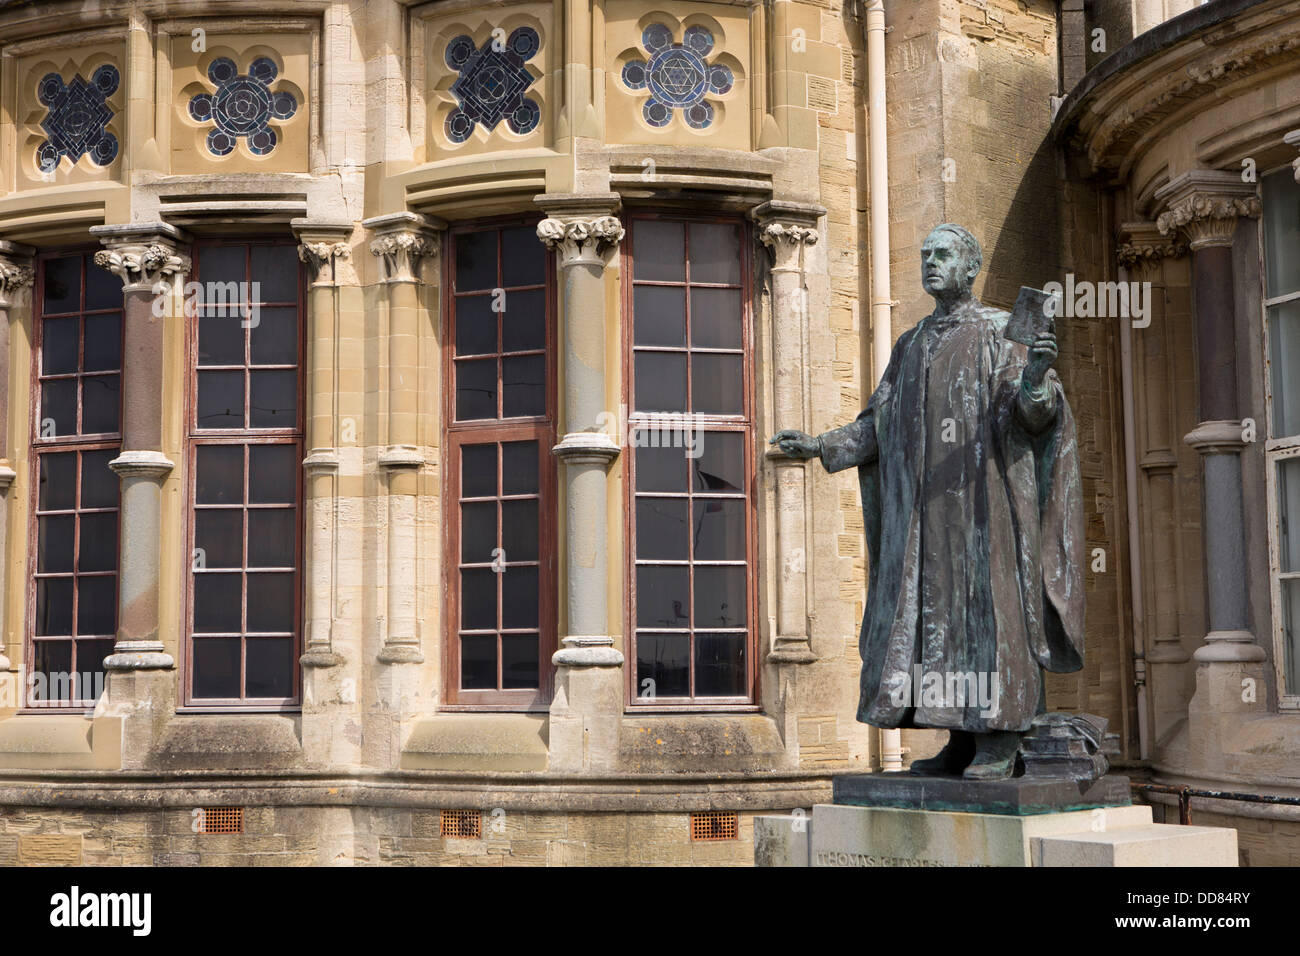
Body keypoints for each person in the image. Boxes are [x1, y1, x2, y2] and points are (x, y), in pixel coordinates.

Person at [770, 224, 1085, 780]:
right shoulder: (911, 343)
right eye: (924, 255)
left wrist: (1036, 377)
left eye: (943, 254)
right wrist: (821, 445)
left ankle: (1002, 737)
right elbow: (880, 422)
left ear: (971, 266)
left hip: (985, 510)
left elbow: (1034, 418)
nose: (930, 263)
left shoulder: (1001, 333)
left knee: (990, 614)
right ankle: (960, 736)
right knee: (936, 621)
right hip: (925, 515)